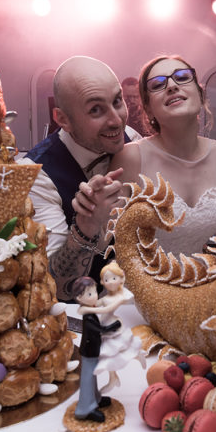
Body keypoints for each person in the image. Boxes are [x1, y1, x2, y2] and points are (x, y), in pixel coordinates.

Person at [22, 56, 142, 300]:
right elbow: (56, 287)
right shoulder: (36, 172)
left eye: (117, 101)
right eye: (95, 109)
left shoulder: (132, 137)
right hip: (80, 318)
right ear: (63, 119)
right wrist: (88, 225)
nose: (117, 120)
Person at [107, 55, 216, 256]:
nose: (171, 86)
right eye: (158, 84)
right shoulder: (130, 158)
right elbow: (108, 237)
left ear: (201, 94)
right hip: (141, 283)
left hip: (201, 278)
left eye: (183, 77)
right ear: (149, 110)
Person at [77, 261, 144, 394]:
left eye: (114, 278)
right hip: (104, 325)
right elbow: (95, 303)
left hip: (112, 326)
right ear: (102, 282)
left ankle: (137, 355)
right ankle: (113, 378)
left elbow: (106, 309)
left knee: (116, 350)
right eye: (107, 279)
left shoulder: (120, 297)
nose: (111, 282)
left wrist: (86, 309)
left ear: (121, 278)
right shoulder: (106, 297)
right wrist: (85, 306)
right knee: (108, 356)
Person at [73, 276, 122, 422]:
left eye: (94, 292)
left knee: (92, 377)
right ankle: (84, 409)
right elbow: (100, 329)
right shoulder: (87, 316)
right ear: (79, 298)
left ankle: (95, 399)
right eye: (89, 294)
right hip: (88, 351)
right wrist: (113, 327)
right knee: (87, 379)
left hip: (93, 349)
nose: (94, 296)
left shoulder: (90, 310)